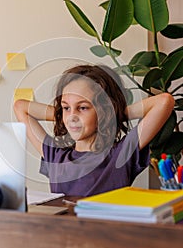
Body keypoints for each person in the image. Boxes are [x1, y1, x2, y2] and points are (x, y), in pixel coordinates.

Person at [14, 64, 175, 196]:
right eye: (66, 107)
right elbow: (20, 107)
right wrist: (64, 114)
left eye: (82, 107)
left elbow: (164, 101)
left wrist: (111, 114)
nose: (72, 116)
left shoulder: (120, 154)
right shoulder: (55, 156)